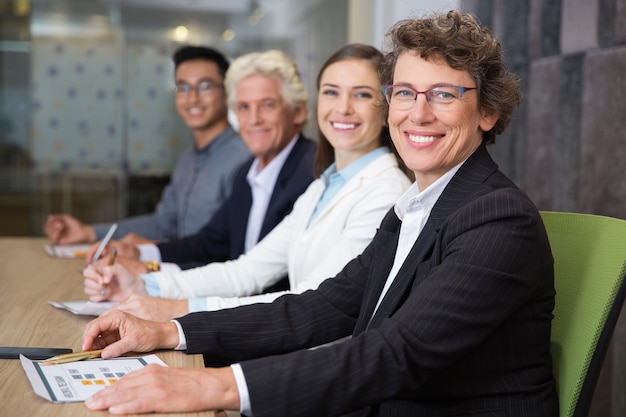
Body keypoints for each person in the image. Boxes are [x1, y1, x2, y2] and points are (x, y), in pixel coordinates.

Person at [82, 10, 558, 416]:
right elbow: (322, 306)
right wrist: (169, 330)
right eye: (406, 92)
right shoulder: (415, 206)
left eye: (444, 94)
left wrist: (215, 385)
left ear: (488, 111)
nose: (418, 113)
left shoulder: (498, 218)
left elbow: (398, 352)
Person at [83, 44, 412, 321]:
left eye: (362, 94)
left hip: (321, 367)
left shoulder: (385, 194)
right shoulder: (323, 185)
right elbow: (246, 270)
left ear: (386, 109)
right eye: (331, 92)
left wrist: (172, 308)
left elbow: (309, 300)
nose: (342, 108)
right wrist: (144, 286)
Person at [84, 49, 317, 279]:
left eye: (267, 105)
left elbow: (253, 276)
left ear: (298, 112)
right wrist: (138, 253)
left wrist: (151, 270)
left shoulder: (310, 175)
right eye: (244, 107)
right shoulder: (249, 172)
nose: (253, 119)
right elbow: (211, 243)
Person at [43, 46, 251, 244]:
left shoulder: (243, 159)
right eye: (183, 87)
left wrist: (154, 251)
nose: (192, 98)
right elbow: (163, 225)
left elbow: (232, 248)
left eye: (205, 86)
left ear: (227, 93)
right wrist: (89, 232)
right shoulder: (188, 159)